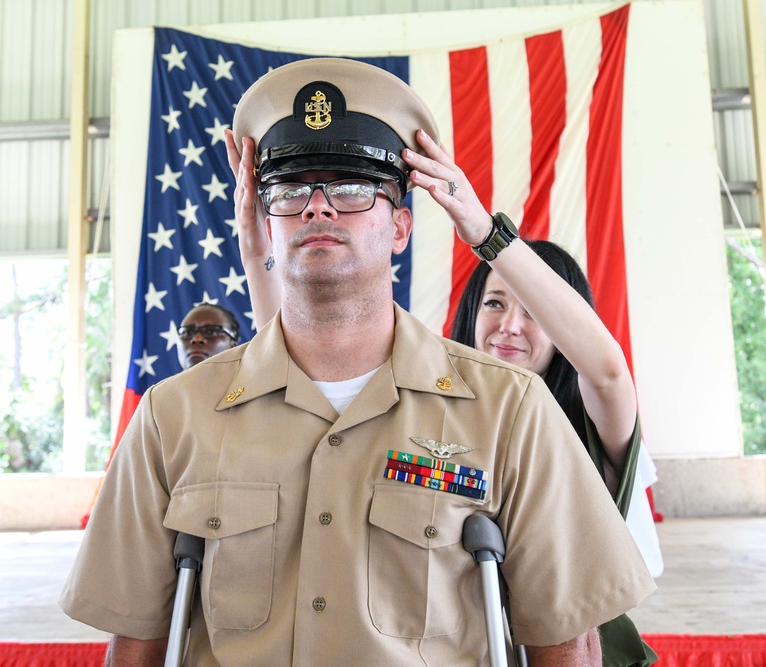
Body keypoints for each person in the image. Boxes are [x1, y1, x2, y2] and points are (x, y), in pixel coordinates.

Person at [60, 57, 654, 666]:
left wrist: (485, 231)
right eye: (290, 192)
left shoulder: (508, 410)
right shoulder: (175, 416)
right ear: (268, 223)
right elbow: (136, 643)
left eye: (349, 189)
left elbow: (566, 640)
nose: (318, 209)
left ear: (401, 227)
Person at [405, 132, 658, 667]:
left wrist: (485, 236)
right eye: (494, 302)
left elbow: (609, 372)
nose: (509, 326)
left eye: (536, 313)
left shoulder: (593, 425)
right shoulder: (428, 411)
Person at [176, 302, 241, 370]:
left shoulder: (249, 380)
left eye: (211, 332)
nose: (197, 339)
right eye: (187, 332)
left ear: (233, 348)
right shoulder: (166, 381)